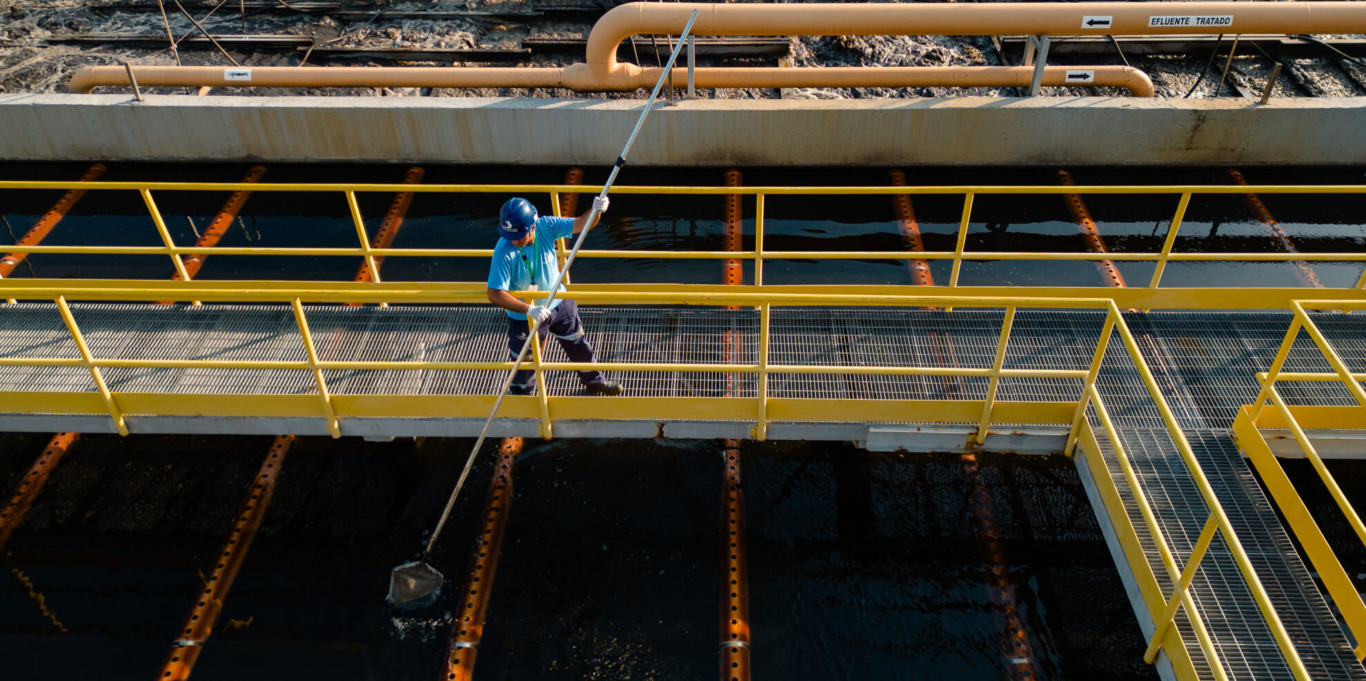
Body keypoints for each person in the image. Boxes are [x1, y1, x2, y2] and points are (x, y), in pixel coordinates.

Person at [487, 195, 623, 396]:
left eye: (519, 235)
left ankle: (595, 382)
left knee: (578, 344)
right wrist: (529, 309)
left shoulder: (546, 226)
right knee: (525, 359)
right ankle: (522, 397)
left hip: (559, 302)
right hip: (526, 316)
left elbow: (581, 224)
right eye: (509, 235)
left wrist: (597, 211)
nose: (513, 240)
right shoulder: (504, 250)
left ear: (533, 227)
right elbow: (495, 293)